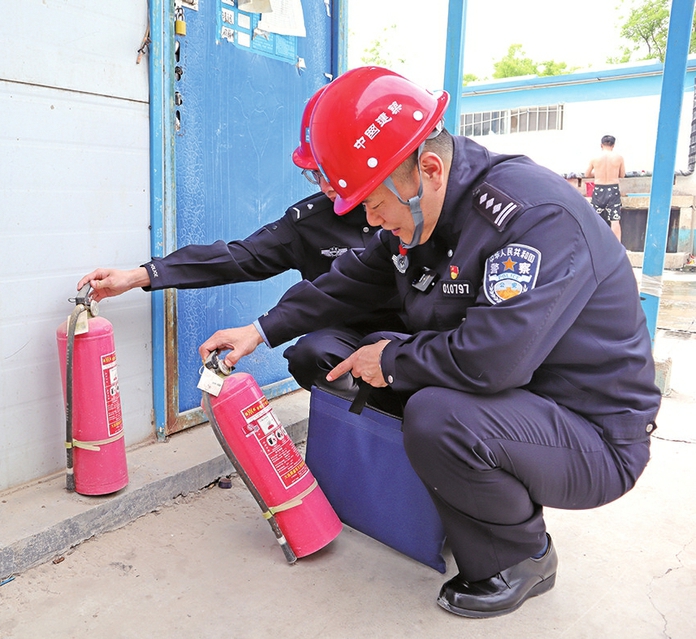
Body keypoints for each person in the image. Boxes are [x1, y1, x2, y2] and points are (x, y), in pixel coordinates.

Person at [200, 67, 660, 618]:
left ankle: (521, 556)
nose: (368, 220)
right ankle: (430, 501)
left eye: (373, 203)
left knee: (438, 416)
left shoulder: (534, 218)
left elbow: (494, 359)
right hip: (521, 405)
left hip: (592, 432)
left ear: (430, 169)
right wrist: (258, 331)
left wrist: (392, 360)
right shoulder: (423, 216)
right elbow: (343, 285)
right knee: (334, 357)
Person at [77, 86, 404, 396]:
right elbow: (239, 257)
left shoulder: (409, 211)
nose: (325, 184)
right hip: (346, 333)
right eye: (316, 172)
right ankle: (363, 426)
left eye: (332, 170)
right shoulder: (310, 221)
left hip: (412, 331)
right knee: (308, 354)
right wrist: (137, 276)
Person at [586, 134, 626, 242]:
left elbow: (587, 173)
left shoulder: (595, 158)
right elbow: (622, 174)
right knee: (615, 219)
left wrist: (599, 173)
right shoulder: (619, 157)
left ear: (601, 145)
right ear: (613, 145)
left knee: (595, 218)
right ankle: (617, 246)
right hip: (613, 189)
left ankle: (593, 243)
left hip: (599, 189)